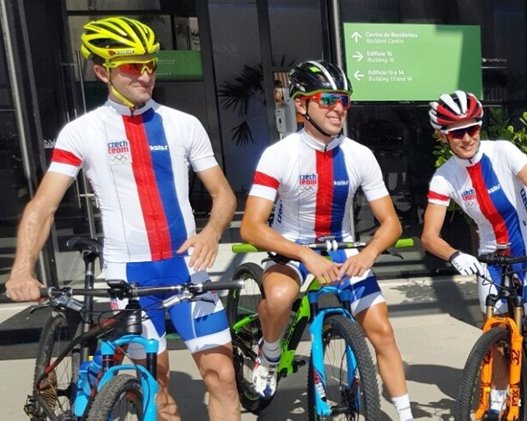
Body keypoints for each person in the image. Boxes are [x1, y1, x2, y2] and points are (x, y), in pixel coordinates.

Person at [5, 16, 240, 421]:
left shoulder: (183, 124)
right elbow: (42, 206)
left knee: (222, 376)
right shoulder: (82, 132)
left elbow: (223, 194)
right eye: (132, 66)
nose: (145, 75)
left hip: (187, 270)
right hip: (128, 277)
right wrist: (22, 269)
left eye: (150, 65)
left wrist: (212, 231)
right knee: (156, 386)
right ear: (103, 72)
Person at [240, 60, 415, 421]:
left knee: (382, 331)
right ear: (302, 105)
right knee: (280, 297)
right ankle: (269, 355)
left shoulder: (359, 155)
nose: (338, 108)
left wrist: (369, 253)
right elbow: (252, 228)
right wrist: (305, 255)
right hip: (292, 249)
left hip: (343, 250)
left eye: (344, 100)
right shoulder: (279, 154)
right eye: (328, 99)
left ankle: (405, 414)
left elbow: (391, 223)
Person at [420, 90, 527, 421]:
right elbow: (429, 236)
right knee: (495, 342)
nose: (466, 138)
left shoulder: (503, 152)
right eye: (456, 132)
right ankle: (496, 404)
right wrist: (455, 255)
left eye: (472, 128)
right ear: (442, 135)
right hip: (491, 259)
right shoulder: (444, 176)